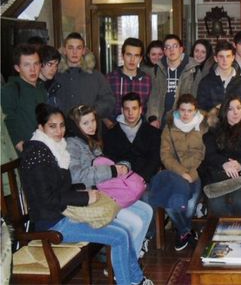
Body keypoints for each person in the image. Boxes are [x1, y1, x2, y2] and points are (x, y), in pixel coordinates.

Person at [19, 103, 153, 285]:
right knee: (120, 236)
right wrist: (85, 197)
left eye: (62, 125)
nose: (59, 131)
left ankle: (136, 280)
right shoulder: (37, 153)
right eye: (52, 126)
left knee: (123, 232)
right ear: (41, 127)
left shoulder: (55, 148)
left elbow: (63, 188)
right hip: (52, 223)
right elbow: (47, 199)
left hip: (66, 212)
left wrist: (84, 193)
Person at [66, 104, 153, 258]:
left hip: (106, 191)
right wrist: (112, 170)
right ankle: (123, 265)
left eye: (93, 121)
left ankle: (129, 260)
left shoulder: (90, 141)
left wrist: (122, 166)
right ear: (76, 125)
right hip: (92, 198)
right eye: (85, 123)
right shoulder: (73, 144)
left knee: (147, 211)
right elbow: (77, 176)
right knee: (136, 223)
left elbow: (105, 162)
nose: (92, 125)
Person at [150, 94, 207, 251]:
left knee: (189, 206)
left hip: (196, 173)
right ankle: (185, 232)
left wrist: (192, 174)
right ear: (177, 110)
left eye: (190, 111)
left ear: (195, 111)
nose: (186, 114)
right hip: (175, 173)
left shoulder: (203, 127)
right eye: (183, 110)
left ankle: (183, 232)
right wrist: (182, 172)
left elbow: (205, 155)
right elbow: (165, 155)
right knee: (170, 203)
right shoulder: (169, 127)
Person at [199, 96, 241, 216]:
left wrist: (240, 164)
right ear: (224, 112)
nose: (235, 112)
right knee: (216, 205)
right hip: (219, 176)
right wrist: (224, 163)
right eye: (230, 109)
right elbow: (210, 156)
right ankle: (223, 232)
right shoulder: (213, 132)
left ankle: (237, 230)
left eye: (238, 108)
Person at [54, 32, 114, 121]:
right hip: (61, 130)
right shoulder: (55, 76)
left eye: (78, 48)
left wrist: (92, 112)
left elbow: (109, 100)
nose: (74, 52)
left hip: (89, 129)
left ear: (83, 51)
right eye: (70, 48)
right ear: (64, 50)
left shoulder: (96, 76)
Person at [103, 92, 161, 183]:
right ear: (122, 110)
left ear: (140, 110)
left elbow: (154, 160)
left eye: (134, 108)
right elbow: (110, 161)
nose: (130, 113)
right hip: (120, 182)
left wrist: (140, 179)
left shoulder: (153, 133)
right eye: (127, 109)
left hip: (147, 181)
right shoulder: (111, 134)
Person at [1, 44, 47, 152]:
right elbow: (7, 120)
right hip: (25, 153)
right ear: (17, 68)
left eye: (36, 64)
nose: (33, 69)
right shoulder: (10, 89)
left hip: (45, 147)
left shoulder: (41, 87)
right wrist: (22, 147)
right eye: (27, 65)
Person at [146, 34, 198, 128]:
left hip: (184, 120)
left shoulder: (193, 69)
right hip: (161, 120)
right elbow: (154, 96)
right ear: (164, 51)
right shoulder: (158, 69)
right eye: (168, 47)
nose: (171, 49)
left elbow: (196, 96)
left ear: (181, 49)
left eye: (175, 46)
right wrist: (153, 117)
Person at [106, 38, 152, 125]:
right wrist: (110, 125)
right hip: (114, 129)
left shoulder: (147, 80)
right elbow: (103, 107)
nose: (132, 59)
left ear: (141, 58)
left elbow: (148, 108)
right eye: (129, 55)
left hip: (139, 131)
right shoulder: (110, 79)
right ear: (122, 55)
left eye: (136, 55)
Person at [197, 41, 241, 111]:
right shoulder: (205, 82)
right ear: (216, 59)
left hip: (237, 121)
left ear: (233, 58)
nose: (225, 60)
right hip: (213, 121)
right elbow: (201, 109)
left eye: (228, 56)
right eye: (221, 56)